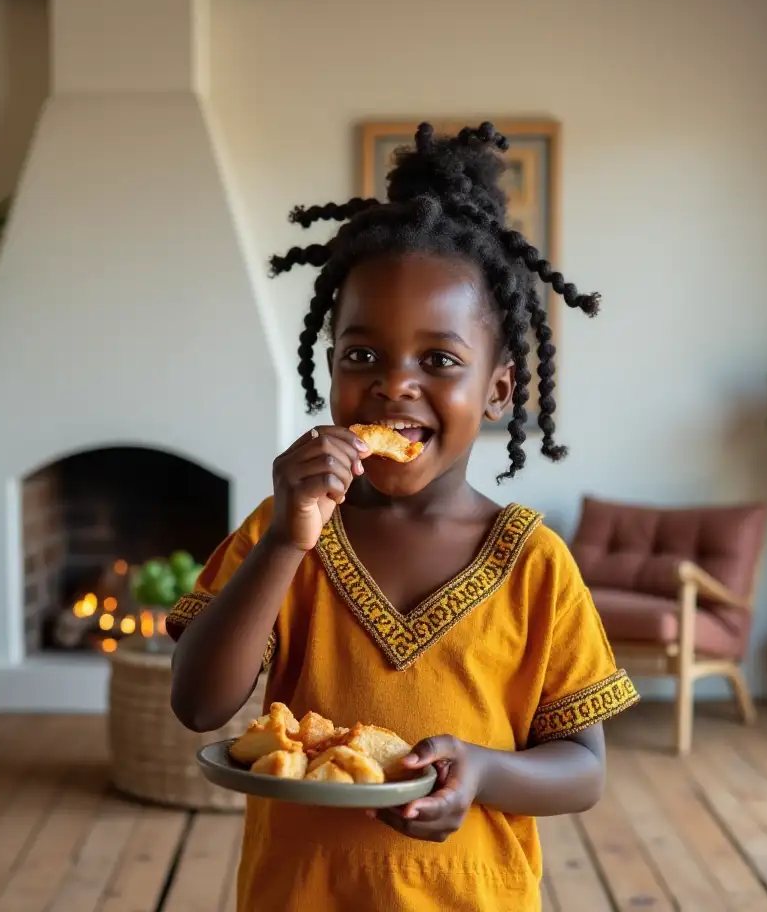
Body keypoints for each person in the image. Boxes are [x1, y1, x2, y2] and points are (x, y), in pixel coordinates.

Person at [167, 122, 639, 911]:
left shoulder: (534, 563)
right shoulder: (283, 531)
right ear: (330, 372)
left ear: (497, 390)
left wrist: (484, 771)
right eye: (362, 357)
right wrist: (286, 540)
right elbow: (199, 704)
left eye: (440, 360)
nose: (394, 386)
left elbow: (583, 770)